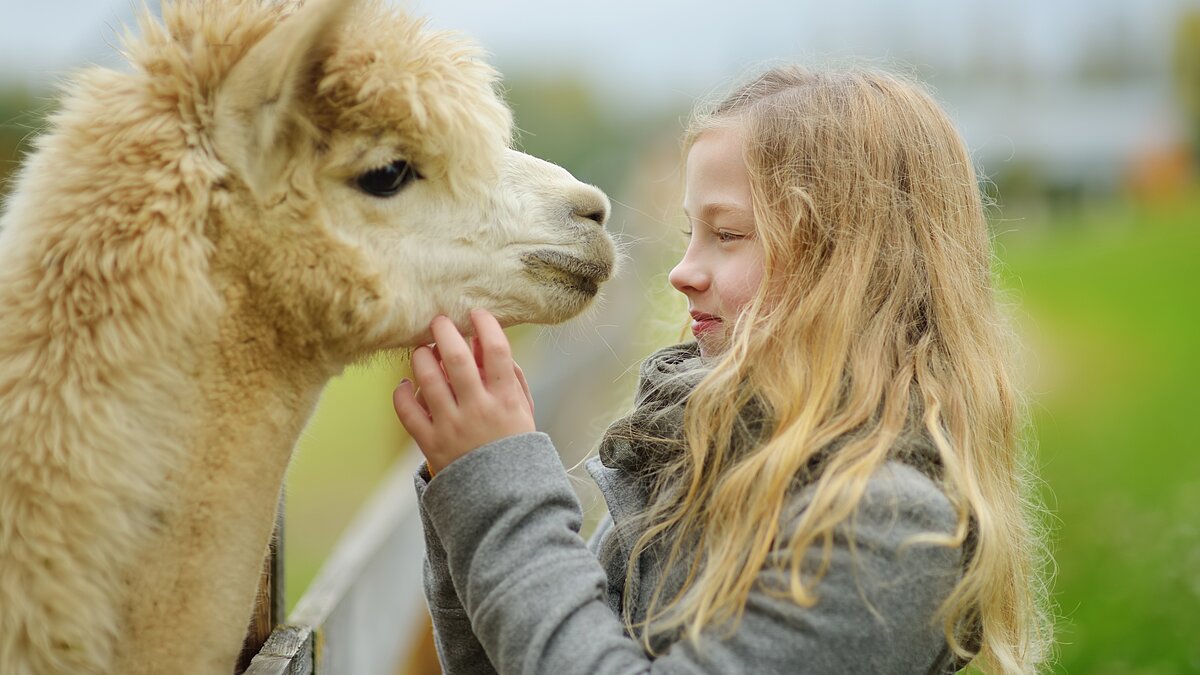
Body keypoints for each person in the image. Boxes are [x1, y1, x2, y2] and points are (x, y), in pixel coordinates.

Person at [393, 65, 1053, 674]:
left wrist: (504, 486)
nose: (682, 272)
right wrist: (468, 478)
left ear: (853, 270)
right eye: (689, 235)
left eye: (728, 234)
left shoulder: (886, 528)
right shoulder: (693, 455)